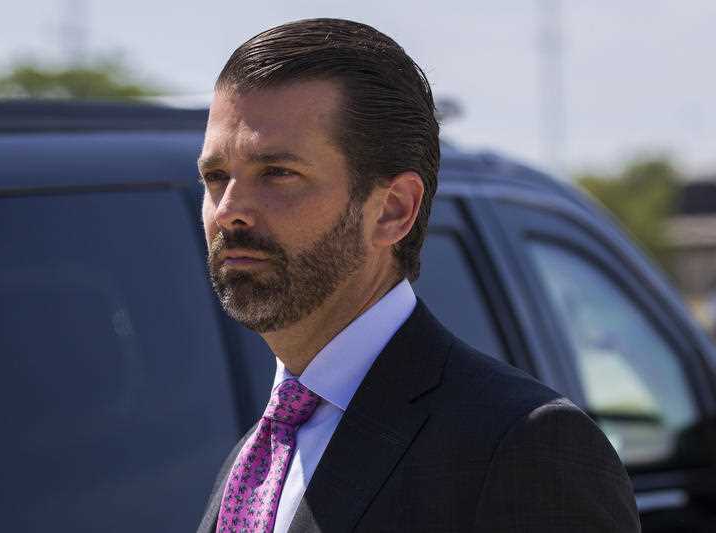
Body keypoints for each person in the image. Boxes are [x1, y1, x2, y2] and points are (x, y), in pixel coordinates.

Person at [196, 18, 640, 533]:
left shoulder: (521, 446)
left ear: (393, 210)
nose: (229, 210)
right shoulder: (254, 459)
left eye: (278, 173)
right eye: (215, 176)